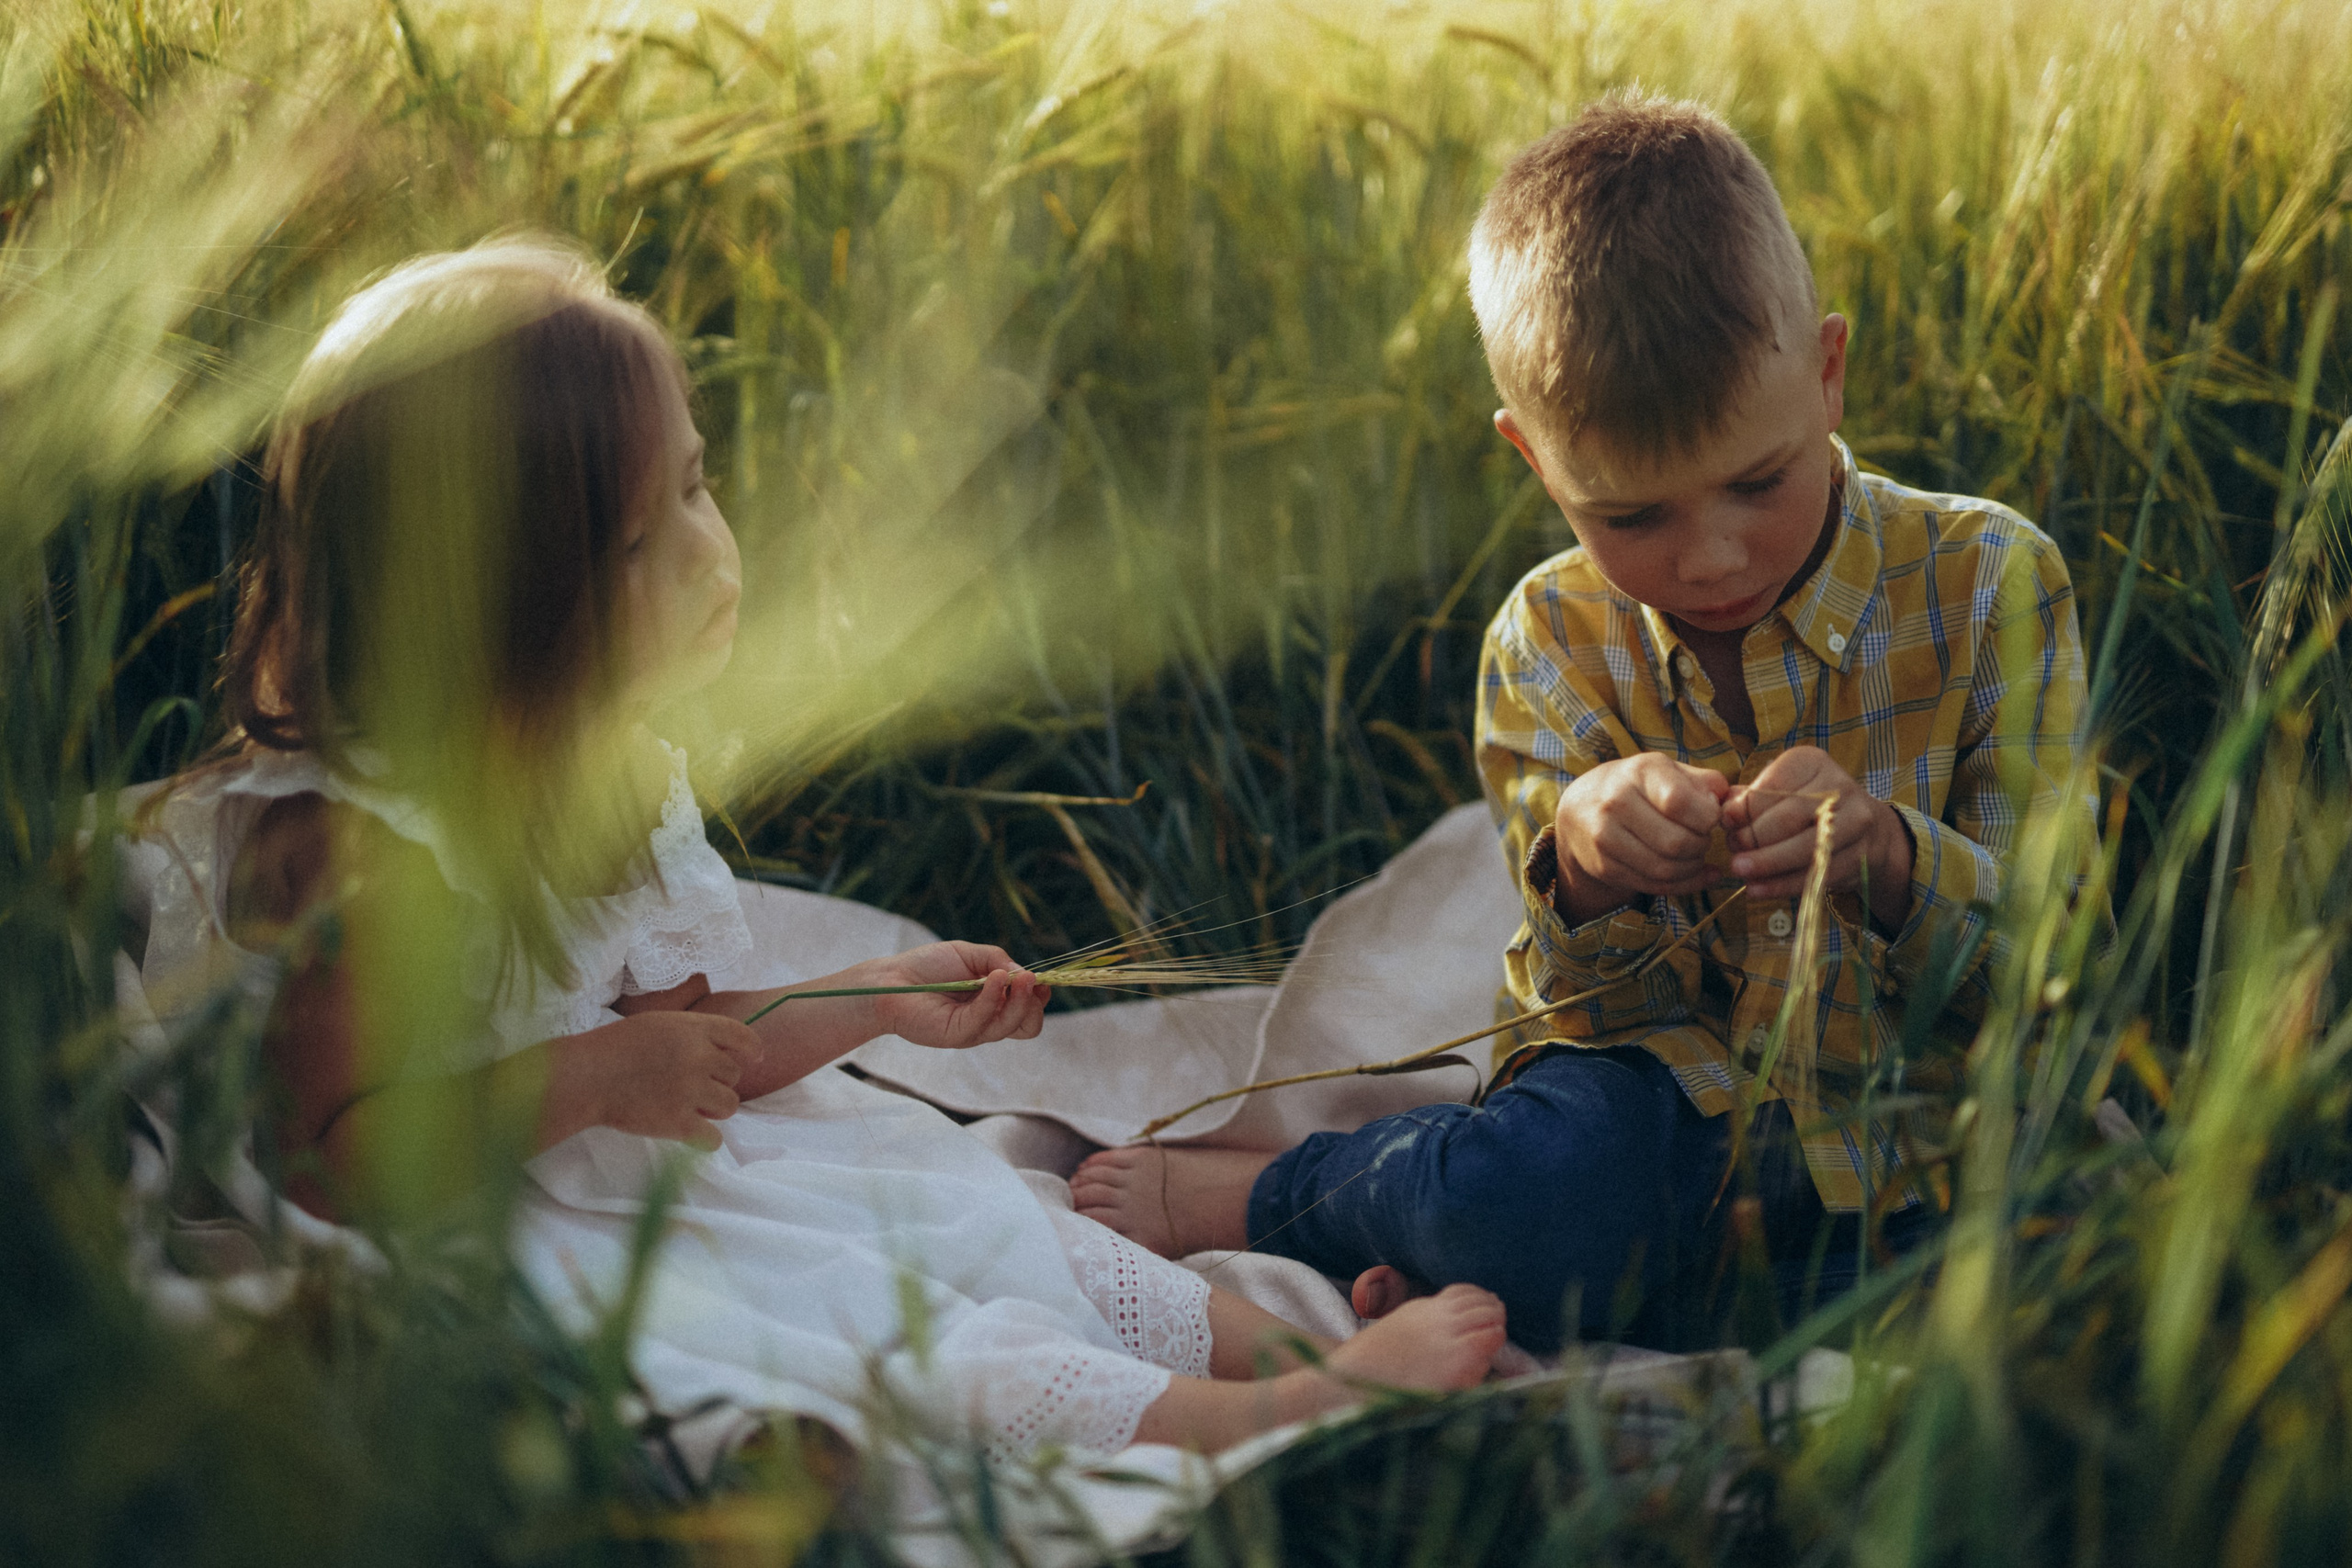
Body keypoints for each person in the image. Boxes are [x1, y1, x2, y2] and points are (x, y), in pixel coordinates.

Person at [121, 236, 1505, 1466]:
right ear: (500, 612)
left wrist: (875, 1000)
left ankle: (1289, 1353)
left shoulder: (604, 784)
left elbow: (694, 1049)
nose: (713, 556)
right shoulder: (376, 852)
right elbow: (331, 1161)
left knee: (977, 1214)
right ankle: (1253, 1423)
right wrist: (599, 1076)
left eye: (699, 489)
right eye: (640, 541)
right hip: (491, 1240)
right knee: (863, 1323)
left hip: (616, 1168)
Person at [1070, 94, 2093, 1352]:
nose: (1712, 557)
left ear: (1826, 374)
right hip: (1657, 1114)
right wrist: (1589, 866)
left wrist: (1886, 853)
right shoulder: (1549, 642)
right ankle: (1308, 1196)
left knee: (2063, 1250)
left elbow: (2058, 955)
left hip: (1917, 1116)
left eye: (1757, 484)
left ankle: (1479, 1259)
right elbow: (1579, 1022)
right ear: (1536, 464)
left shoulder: (1993, 581)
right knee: (1549, 1187)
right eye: (1631, 517)